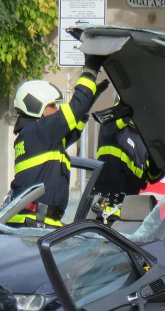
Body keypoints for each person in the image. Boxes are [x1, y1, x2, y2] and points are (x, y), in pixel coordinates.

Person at [7, 55, 107, 227]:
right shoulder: (40, 130)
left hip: (36, 222)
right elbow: (74, 109)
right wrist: (90, 69)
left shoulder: (35, 134)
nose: (57, 109)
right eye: (52, 105)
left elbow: (73, 133)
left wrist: (87, 105)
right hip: (34, 224)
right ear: (36, 106)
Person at [92, 102, 162, 208]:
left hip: (127, 215)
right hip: (104, 211)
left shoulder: (145, 143)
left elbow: (153, 175)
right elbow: (111, 125)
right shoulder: (112, 128)